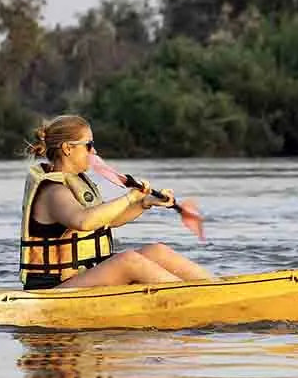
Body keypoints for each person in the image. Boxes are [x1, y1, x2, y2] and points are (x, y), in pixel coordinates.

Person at [20, 114, 212, 290]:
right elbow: (83, 222)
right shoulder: (54, 191)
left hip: (83, 276)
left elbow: (106, 220)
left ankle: (212, 289)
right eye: (88, 145)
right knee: (128, 260)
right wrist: (130, 197)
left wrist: (144, 202)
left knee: (157, 251)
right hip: (52, 290)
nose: (94, 151)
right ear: (67, 148)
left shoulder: (78, 181)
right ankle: (191, 298)